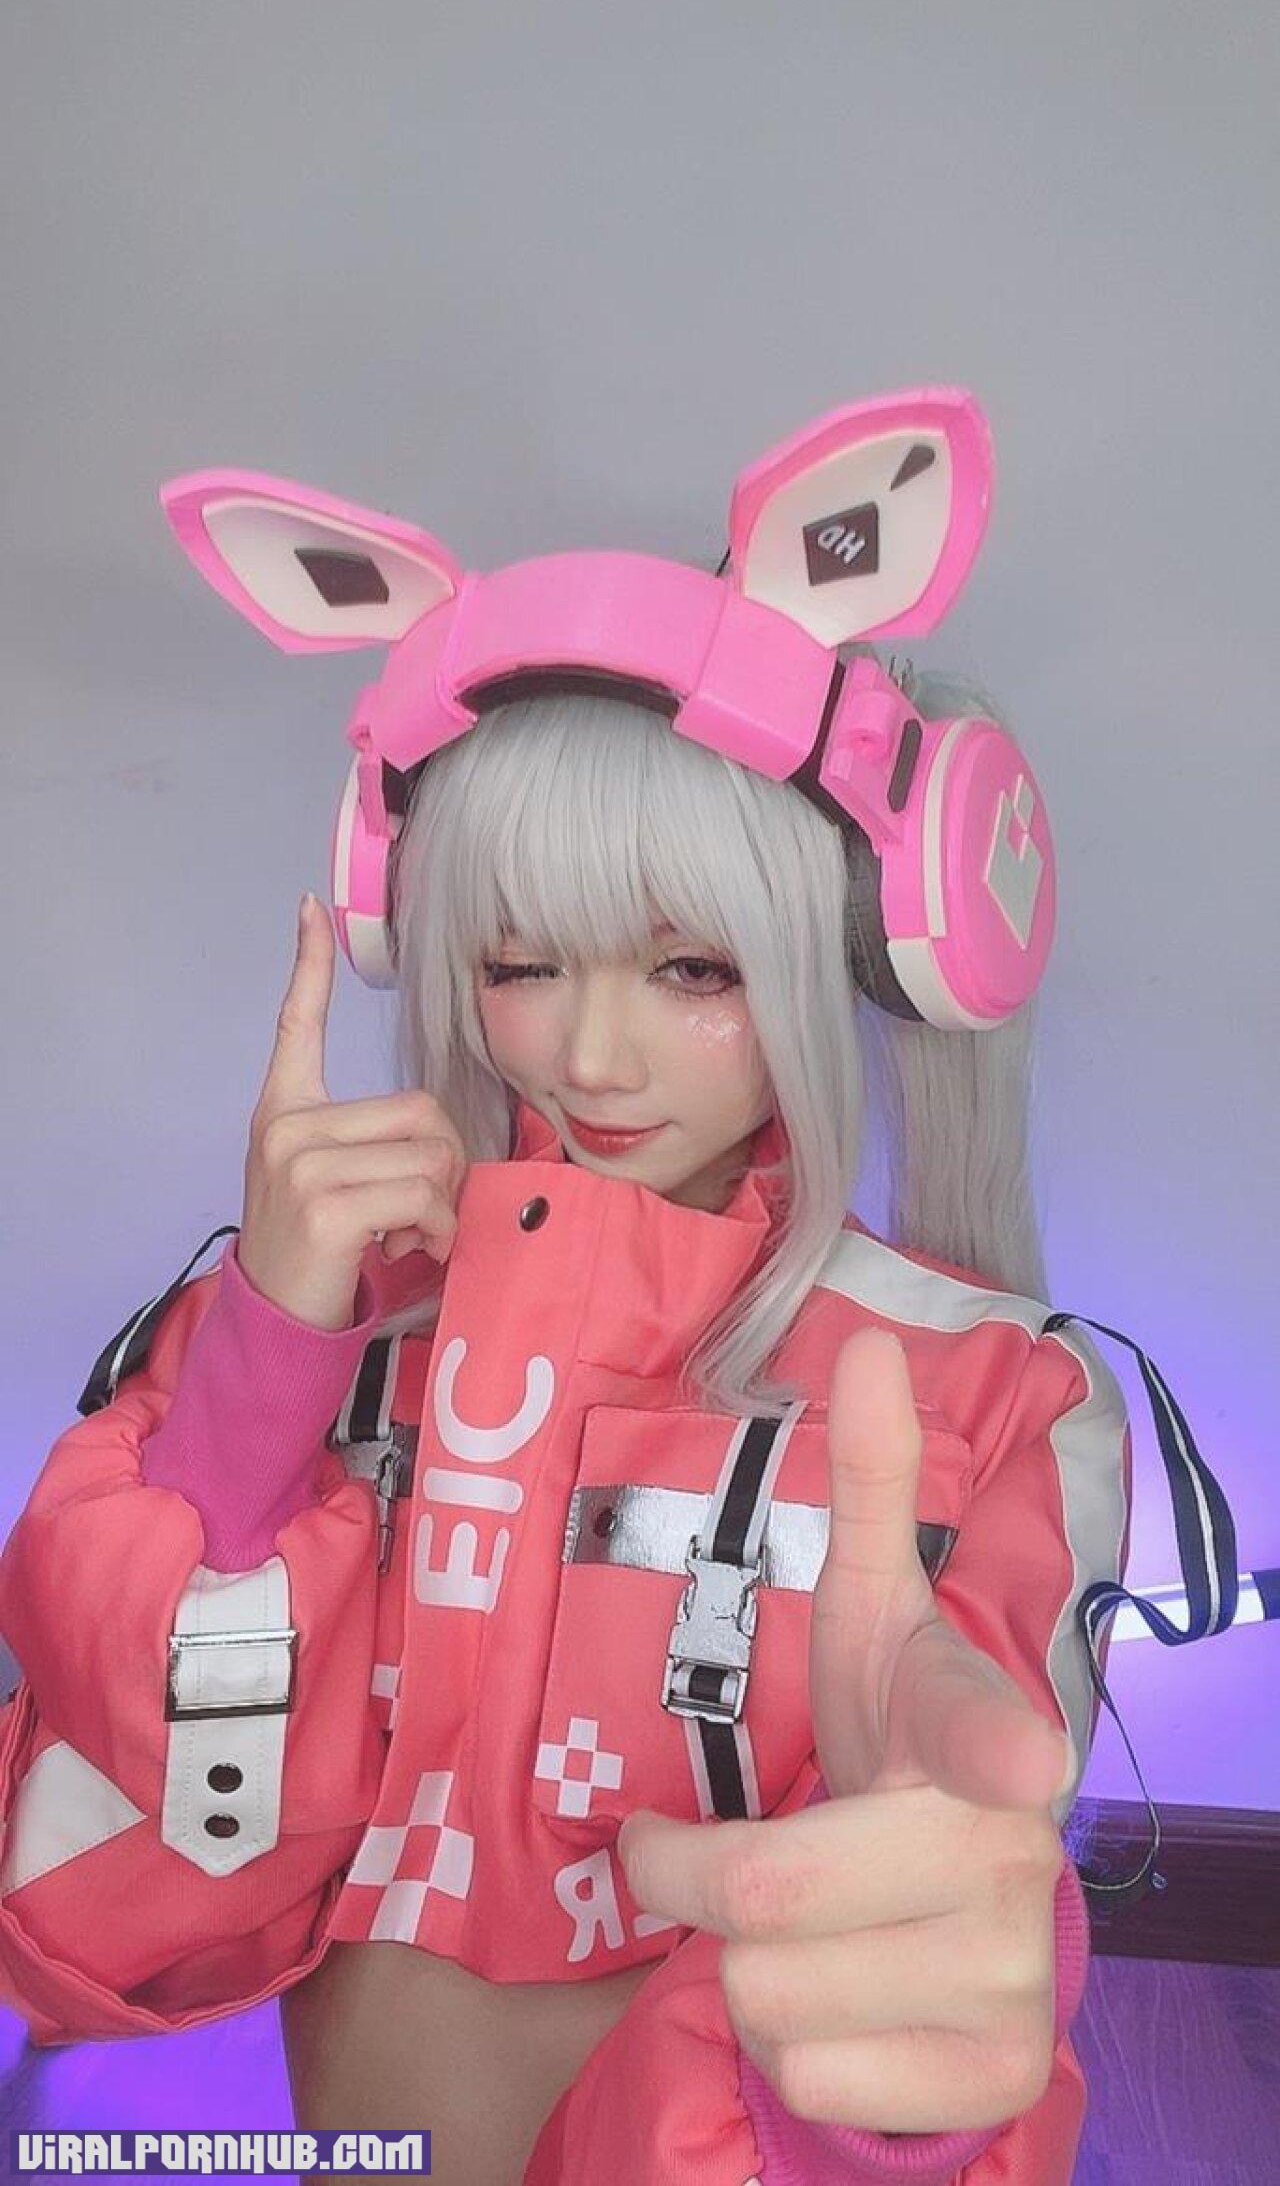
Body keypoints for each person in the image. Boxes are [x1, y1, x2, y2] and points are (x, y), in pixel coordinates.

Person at [0, 391, 1225, 2184]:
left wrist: (884, 2080)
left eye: (693, 968)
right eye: (519, 962)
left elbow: (926, 1984)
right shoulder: (331, 1315)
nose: (589, 1055)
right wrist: (264, 1360)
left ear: (855, 945)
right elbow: (126, 1900)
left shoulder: (989, 1399)